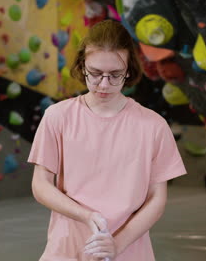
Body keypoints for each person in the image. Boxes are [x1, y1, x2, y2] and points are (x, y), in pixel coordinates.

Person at [28, 19, 187, 261]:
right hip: (67, 250)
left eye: (115, 75)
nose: (104, 84)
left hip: (130, 252)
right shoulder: (58, 117)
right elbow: (41, 185)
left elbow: (157, 198)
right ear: (82, 66)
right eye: (95, 74)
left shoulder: (153, 126)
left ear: (129, 71)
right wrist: (86, 215)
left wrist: (117, 245)